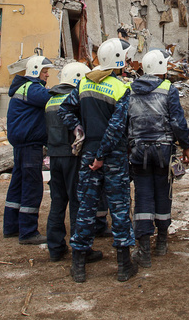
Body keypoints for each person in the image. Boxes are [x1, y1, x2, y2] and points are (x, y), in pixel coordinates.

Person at [59, 37, 137, 283]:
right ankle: (124, 266)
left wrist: (79, 129)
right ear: (119, 61)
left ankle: (79, 265)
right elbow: (116, 128)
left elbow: (64, 110)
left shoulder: (84, 84)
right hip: (111, 157)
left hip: (88, 155)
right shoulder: (121, 88)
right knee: (120, 209)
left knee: (86, 209)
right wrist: (102, 155)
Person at [128, 49, 189, 268]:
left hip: (138, 152)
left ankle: (144, 249)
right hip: (164, 152)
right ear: (161, 68)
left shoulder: (130, 89)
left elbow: (126, 121)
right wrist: (186, 146)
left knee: (143, 197)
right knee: (163, 194)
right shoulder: (168, 89)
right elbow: (177, 121)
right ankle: (162, 242)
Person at [44, 61, 103, 264]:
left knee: (57, 203)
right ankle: (81, 249)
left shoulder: (50, 100)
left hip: (54, 157)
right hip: (73, 157)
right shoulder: (74, 99)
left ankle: (55, 248)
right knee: (78, 203)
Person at [3, 55, 53, 244]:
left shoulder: (23, 87)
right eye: (45, 71)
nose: (47, 75)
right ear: (35, 71)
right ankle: (28, 232)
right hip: (30, 144)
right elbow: (50, 99)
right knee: (32, 187)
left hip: (21, 145)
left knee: (17, 185)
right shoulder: (32, 88)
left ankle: (11, 227)